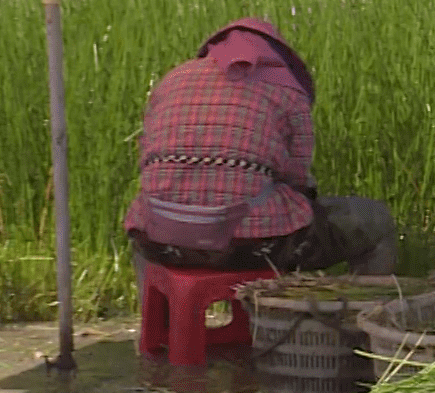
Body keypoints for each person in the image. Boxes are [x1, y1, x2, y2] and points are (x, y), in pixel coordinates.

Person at [124, 18, 396, 277]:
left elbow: (146, 157)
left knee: (145, 221)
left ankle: (160, 321)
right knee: (374, 220)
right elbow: (298, 178)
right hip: (252, 247)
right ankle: (360, 319)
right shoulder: (286, 90)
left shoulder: (172, 80)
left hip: (161, 244)